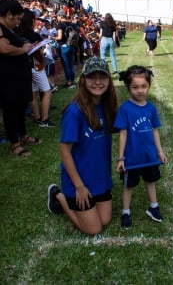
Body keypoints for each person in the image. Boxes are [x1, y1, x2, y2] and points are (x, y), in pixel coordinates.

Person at [47, 57, 118, 235]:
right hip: (78, 181)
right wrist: (79, 186)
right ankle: (59, 196)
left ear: (109, 80)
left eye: (102, 77)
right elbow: (64, 151)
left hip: (99, 178)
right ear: (83, 80)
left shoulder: (107, 106)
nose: (97, 82)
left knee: (105, 220)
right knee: (94, 229)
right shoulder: (74, 111)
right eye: (91, 77)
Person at [114, 65, 168, 228]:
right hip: (132, 158)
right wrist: (121, 158)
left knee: (150, 181)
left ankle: (154, 207)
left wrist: (159, 151)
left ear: (149, 86)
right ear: (128, 87)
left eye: (144, 86)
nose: (140, 91)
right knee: (128, 185)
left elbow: (154, 131)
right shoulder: (125, 109)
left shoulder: (151, 107)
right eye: (135, 87)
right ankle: (125, 212)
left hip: (149, 156)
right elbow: (122, 134)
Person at [0, 0, 40, 157]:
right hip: (7, 78)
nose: (18, 22)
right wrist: (24, 49)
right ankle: (15, 143)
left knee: (21, 106)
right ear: (8, 14)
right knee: (11, 109)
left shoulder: (8, 28)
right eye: (16, 18)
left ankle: (23, 135)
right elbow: (3, 48)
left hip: (19, 76)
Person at [16, 8, 54, 128]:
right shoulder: (34, 35)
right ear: (31, 21)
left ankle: (37, 117)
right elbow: (41, 52)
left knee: (33, 94)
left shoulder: (16, 34)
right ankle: (44, 119)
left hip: (24, 67)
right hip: (36, 66)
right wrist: (41, 47)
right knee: (47, 92)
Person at [51, 9, 75, 89]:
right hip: (71, 45)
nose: (57, 18)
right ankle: (72, 81)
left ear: (60, 16)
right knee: (71, 65)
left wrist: (51, 37)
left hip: (63, 47)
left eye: (57, 16)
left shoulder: (60, 25)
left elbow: (59, 37)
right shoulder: (71, 24)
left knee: (66, 65)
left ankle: (69, 83)